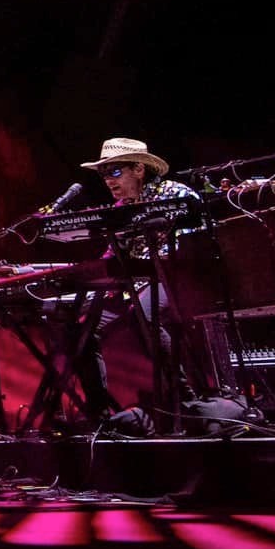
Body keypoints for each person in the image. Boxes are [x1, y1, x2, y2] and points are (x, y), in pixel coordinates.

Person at [78, 137, 204, 423]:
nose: (108, 181)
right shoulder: (121, 209)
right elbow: (111, 260)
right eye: (103, 174)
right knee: (83, 328)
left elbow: (196, 240)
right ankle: (101, 416)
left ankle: (185, 400)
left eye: (114, 172)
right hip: (133, 287)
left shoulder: (174, 193)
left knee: (144, 317)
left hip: (176, 279)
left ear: (138, 169)